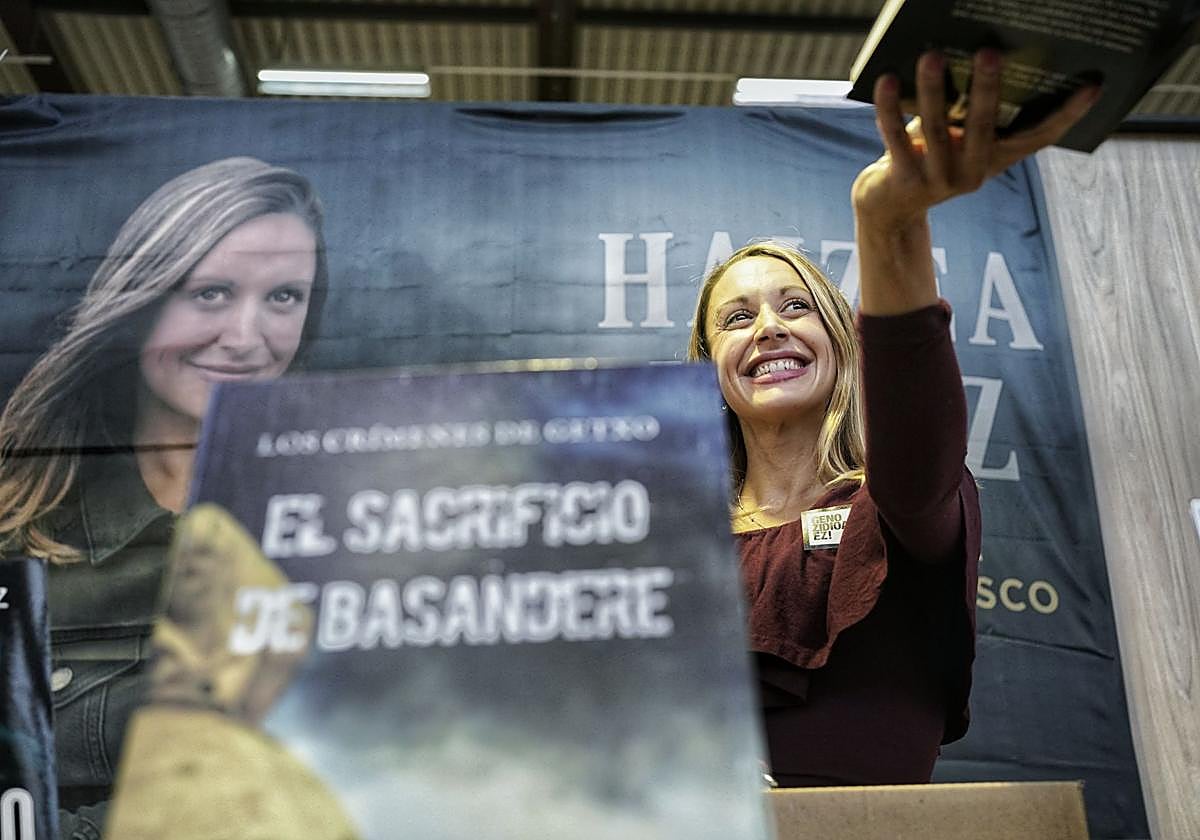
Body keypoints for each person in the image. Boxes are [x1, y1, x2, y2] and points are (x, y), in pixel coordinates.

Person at [687, 51, 1099, 786]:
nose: (768, 329)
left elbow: (914, 434)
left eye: (796, 307)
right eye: (737, 318)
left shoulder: (893, 509)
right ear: (711, 366)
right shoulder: (672, 544)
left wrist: (887, 224)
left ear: (843, 348)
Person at [0, 156, 328, 837]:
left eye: (283, 297)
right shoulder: (17, 528)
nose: (244, 339)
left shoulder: (351, 529)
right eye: (209, 292)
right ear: (140, 301)